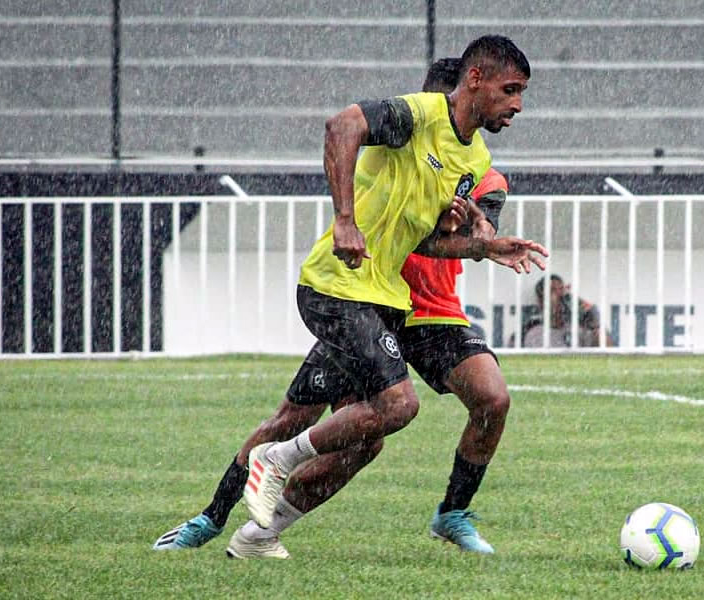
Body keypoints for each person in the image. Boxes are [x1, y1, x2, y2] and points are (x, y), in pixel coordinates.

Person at [154, 36, 540, 557]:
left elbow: (439, 237)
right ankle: (213, 515)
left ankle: (264, 534)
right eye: (510, 90)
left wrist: (483, 242)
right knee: (314, 417)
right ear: (466, 86)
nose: (518, 104)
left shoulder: (478, 165)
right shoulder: (415, 119)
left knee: (428, 419)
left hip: (410, 308)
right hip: (351, 292)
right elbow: (344, 125)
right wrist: (344, 219)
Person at [519, 274, 615, 348]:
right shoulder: (535, 333)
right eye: (553, 291)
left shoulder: (581, 329)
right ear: (541, 301)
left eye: (561, 289)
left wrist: (595, 321)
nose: (560, 295)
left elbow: (607, 353)